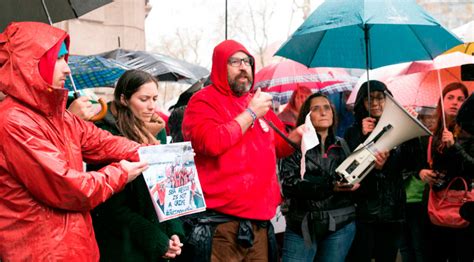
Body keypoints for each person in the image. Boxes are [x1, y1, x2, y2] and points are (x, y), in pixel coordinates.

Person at [0, 22, 148, 260]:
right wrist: (121, 172)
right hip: (41, 253)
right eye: (58, 59)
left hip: (74, 247)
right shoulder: (14, 122)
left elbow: (101, 142)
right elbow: (70, 188)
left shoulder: (60, 116)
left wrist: (149, 151)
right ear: (31, 63)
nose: (67, 69)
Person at [181, 39, 302, 261]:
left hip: (260, 225)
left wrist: (298, 135)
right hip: (223, 226)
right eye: (234, 61)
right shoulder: (203, 101)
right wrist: (251, 114)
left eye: (247, 61)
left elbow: (279, 147)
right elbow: (210, 142)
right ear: (219, 66)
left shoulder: (255, 101)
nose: (243, 67)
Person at [90, 69, 184, 261]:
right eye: (144, 99)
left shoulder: (156, 131)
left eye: (155, 99)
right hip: (122, 246)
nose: (152, 106)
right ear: (124, 99)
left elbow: (166, 190)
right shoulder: (103, 136)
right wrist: (156, 239)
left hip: (158, 242)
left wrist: (173, 231)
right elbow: (110, 208)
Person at [279, 93, 360, 262]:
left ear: (333, 113)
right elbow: (289, 185)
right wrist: (329, 187)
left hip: (340, 224)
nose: (323, 112)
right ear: (306, 116)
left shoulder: (343, 145)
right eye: (316, 109)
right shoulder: (295, 145)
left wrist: (354, 183)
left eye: (327, 108)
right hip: (302, 225)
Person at [344, 80, 403, 262]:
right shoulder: (352, 131)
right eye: (370, 99)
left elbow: (407, 163)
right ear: (362, 102)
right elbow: (350, 168)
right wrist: (364, 138)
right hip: (365, 212)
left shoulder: (398, 128)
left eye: (380, 98)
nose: (376, 103)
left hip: (392, 211)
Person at [417, 83, 472, 262]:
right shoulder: (432, 134)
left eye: (460, 99)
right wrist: (422, 172)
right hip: (435, 205)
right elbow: (418, 164)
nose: (455, 102)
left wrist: (454, 146)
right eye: (450, 97)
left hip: (462, 206)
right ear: (442, 101)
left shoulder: (470, 133)